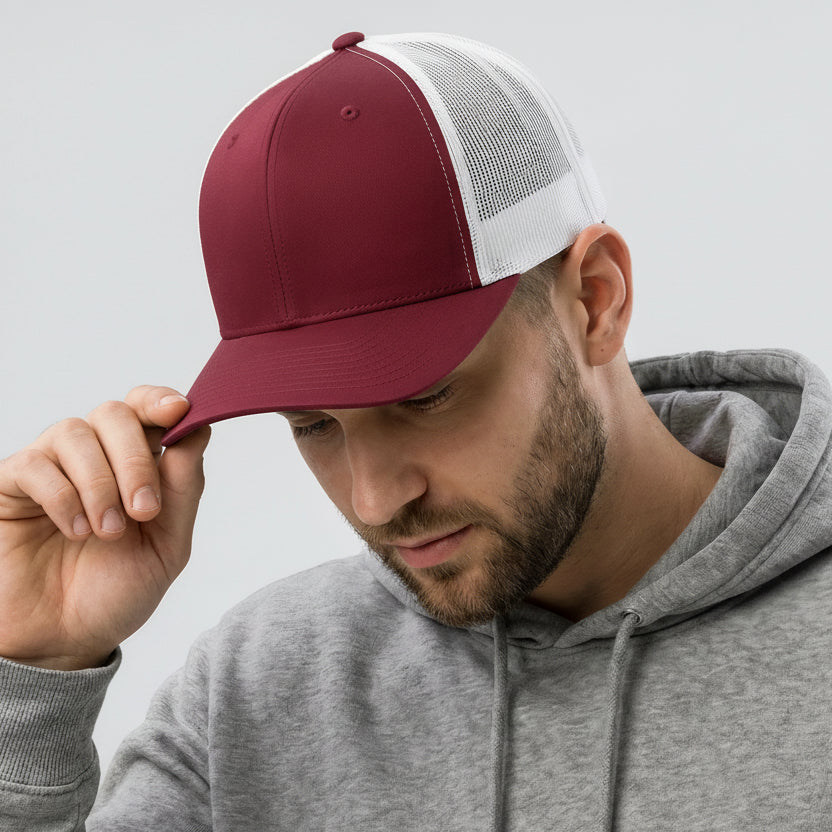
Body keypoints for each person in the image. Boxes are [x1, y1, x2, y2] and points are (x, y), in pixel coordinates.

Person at [1, 29, 830, 832]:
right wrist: (32, 671)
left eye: (427, 397)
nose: (374, 496)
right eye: (315, 423)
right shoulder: (262, 687)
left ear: (596, 300)